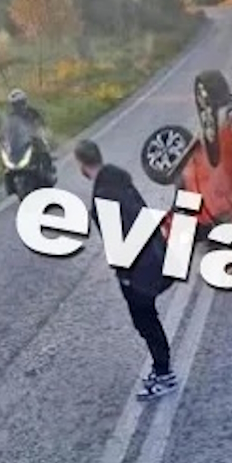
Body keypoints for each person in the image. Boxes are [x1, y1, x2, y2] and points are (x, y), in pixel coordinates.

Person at [74, 139, 178, 400]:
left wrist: (125, 276)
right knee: (147, 319)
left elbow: (117, 241)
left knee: (145, 321)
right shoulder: (119, 181)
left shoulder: (103, 195)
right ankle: (161, 367)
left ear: (81, 165)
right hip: (154, 256)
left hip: (139, 268)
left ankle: (164, 373)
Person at [2, 89, 57, 188]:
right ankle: (10, 182)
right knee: (7, 154)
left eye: (20, 103)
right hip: (20, 141)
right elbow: (6, 129)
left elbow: (40, 122)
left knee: (42, 144)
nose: (18, 106)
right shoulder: (11, 116)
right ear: (12, 105)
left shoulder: (32, 112)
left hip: (33, 138)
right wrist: (4, 137)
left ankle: (48, 169)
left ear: (25, 101)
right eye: (15, 104)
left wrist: (38, 130)